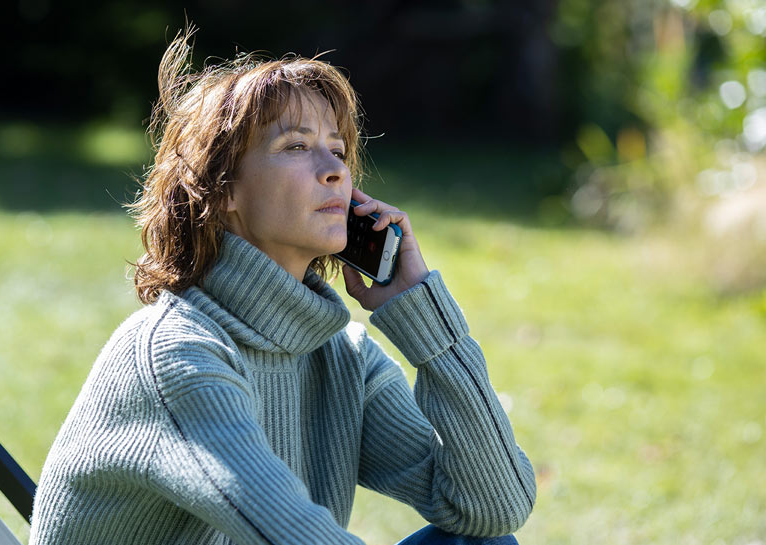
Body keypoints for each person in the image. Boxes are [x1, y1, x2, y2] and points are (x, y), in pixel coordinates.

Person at [28, 26, 536, 545]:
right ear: (221, 188)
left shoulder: (344, 359)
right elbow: (290, 535)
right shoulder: (176, 355)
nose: (334, 171)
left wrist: (423, 318)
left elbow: (495, 508)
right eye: (296, 146)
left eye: (337, 150)